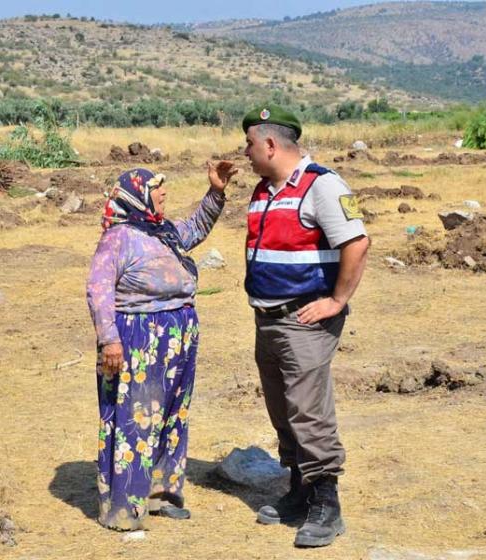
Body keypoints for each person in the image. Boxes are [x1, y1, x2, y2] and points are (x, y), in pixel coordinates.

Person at [241, 104, 370, 548]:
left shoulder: (323, 185)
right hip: (268, 319)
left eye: (250, 145)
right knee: (283, 409)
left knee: (309, 412)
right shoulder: (264, 189)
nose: (245, 153)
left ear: (271, 144)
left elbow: (356, 241)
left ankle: (326, 503)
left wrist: (337, 300)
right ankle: (299, 488)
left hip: (304, 320)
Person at [86, 163, 237, 531]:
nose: (164, 193)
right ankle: (125, 509)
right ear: (137, 196)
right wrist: (110, 340)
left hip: (179, 335)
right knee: (135, 420)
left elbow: (197, 227)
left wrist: (216, 192)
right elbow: (98, 289)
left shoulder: (163, 232)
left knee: (172, 416)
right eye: (157, 188)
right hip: (137, 337)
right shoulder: (119, 237)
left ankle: (162, 495)